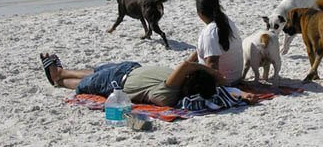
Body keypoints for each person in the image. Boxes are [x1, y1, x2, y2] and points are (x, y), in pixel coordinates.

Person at [40, 53, 226, 106]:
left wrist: (213, 73)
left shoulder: (171, 89)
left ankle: (60, 77)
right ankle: (61, 73)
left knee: (86, 83)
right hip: (127, 71)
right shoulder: (175, 86)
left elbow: (187, 64)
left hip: (121, 77)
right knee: (94, 75)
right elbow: (189, 63)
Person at [187, 0, 245, 86]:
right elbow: (205, 49)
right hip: (236, 76)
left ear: (200, 13)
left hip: (225, 81)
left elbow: (213, 64)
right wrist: (188, 63)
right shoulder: (225, 20)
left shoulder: (210, 32)